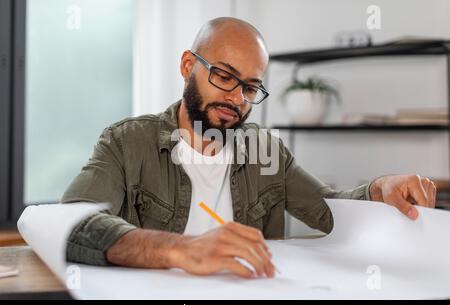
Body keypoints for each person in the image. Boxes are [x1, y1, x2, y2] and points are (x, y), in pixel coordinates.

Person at [62, 17, 436, 279]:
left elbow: (330, 209)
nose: (236, 98)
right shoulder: (126, 142)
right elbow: (74, 224)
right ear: (188, 65)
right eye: (223, 76)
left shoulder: (266, 151)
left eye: (251, 87)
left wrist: (378, 189)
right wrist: (178, 249)